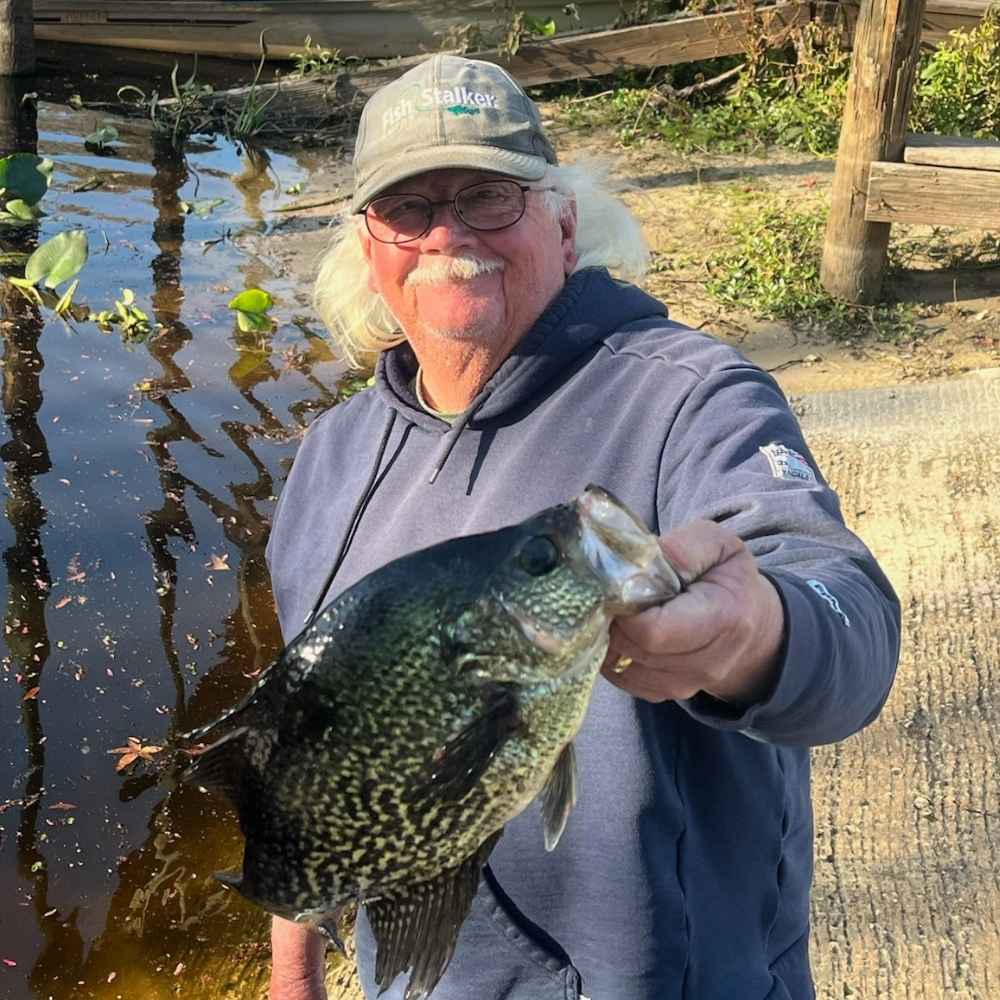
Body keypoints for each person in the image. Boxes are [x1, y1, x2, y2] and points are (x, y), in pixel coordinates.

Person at [264, 53, 900, 1000]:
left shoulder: (693, 397)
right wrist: (294, 976)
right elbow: (313, 756)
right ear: (370, 248)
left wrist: (754, 631)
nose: (447, 233)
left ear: (563, 221)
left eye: (488, 196)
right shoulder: (329, 462)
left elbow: (850, 630)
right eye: (409, 209)